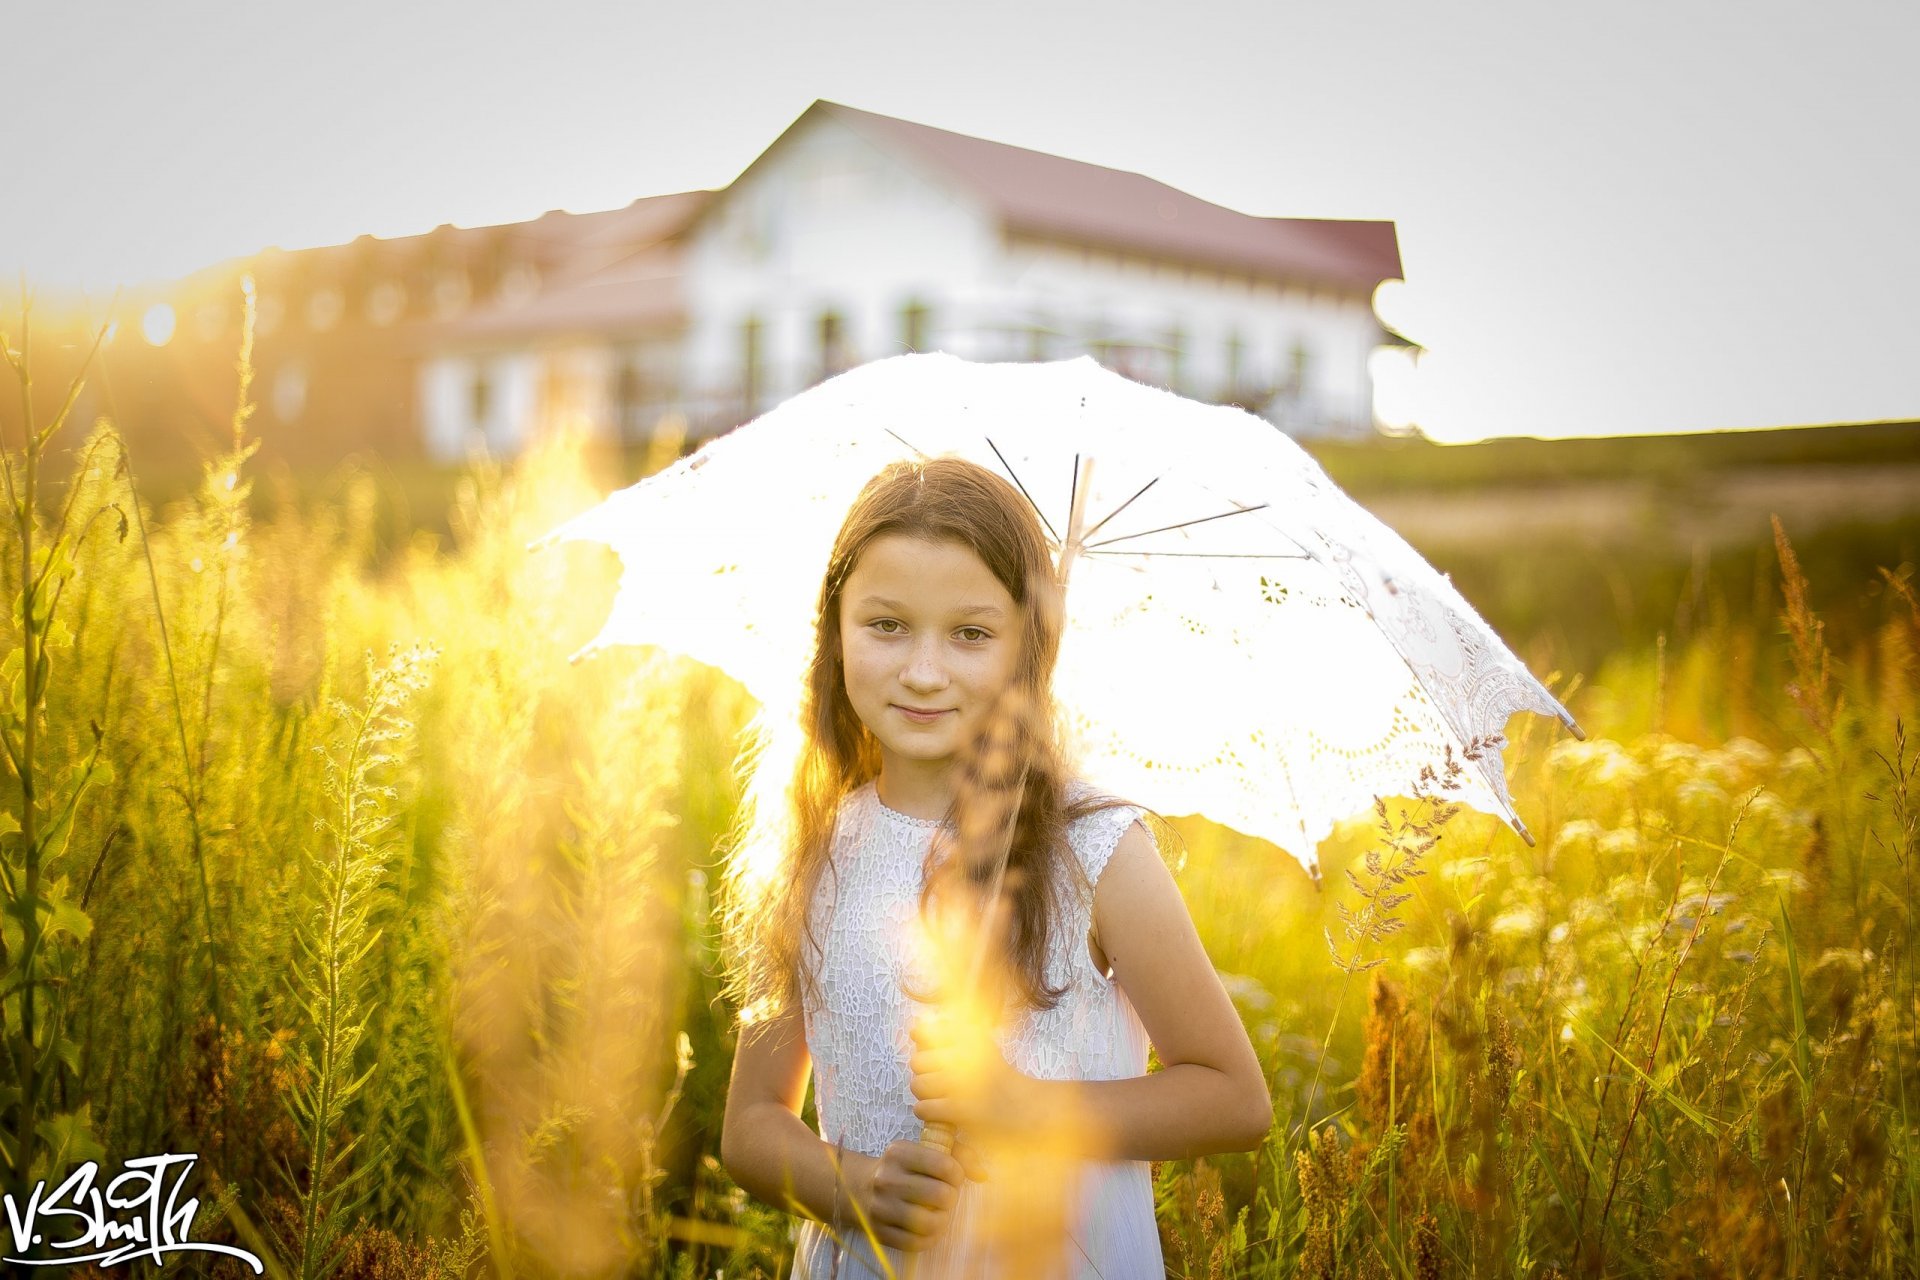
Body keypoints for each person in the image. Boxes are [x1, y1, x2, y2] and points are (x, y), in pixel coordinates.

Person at [719, 457, 1271, 1278]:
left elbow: (1234, 1096)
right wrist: (849, 1188)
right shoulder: (819, 845)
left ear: (1027, 648)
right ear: (833, 630)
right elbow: (752, 1124)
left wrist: (1027, 1109)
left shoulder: (1094, 850)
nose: (924, 670)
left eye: (971, 633)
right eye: (886, 625)